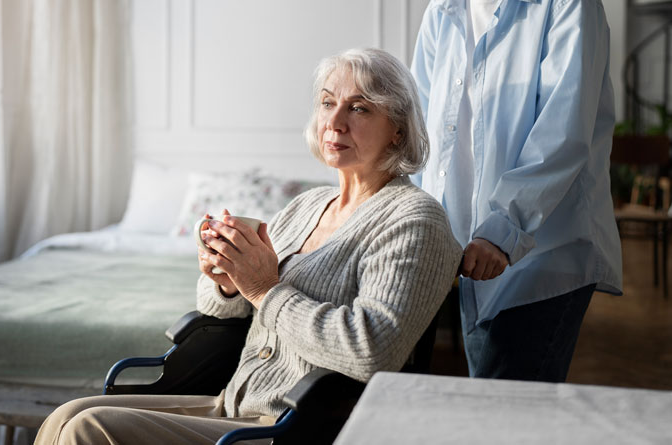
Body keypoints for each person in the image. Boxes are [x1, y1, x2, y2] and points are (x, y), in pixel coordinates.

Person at [34, 48, 463, 445]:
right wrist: (225, 281)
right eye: (328, 103)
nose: (334, 122)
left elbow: (373, 351)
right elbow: (224, 312)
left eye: (359, 108)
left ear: (397, 130)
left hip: (292, 425)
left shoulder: (414, 219)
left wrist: (264, 290)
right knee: (68, 414)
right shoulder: (307, 204)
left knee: (89, 429)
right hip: (233, 402)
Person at [410, 0, 623, 382]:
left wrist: (505, 228)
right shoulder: (441, 11)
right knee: (493, 406)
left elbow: (562, 133)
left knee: (509, 413)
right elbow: (421, 129)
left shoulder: (569, 5)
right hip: (471, 256)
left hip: (543, 256)